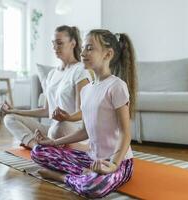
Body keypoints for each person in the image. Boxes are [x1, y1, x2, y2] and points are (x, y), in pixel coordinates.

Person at [31, 29, 137, 198]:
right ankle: (85, 173)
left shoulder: (116, 87)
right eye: (84, 48)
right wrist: (53, 142)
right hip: (91, 159)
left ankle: (63, 177)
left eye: (90, 48)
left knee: (94, 188)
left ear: (108, 54)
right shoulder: (86, 90)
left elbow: (126, 133)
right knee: (38, 151)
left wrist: (114, 164)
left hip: (119, 161)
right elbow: (85, 131)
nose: (82, 53)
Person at [1, 25, 91, 149]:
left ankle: (46, 145)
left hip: (71, 130)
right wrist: (14, 110)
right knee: (9, 118)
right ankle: (36, 146)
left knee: (60, 126)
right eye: (53, 43)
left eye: (59, 43)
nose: (55, 47)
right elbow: (46, 110)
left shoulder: (80, 70)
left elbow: (83, 113)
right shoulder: (52, 74)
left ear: (73, 43)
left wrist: (67, 117)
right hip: (53, 129)